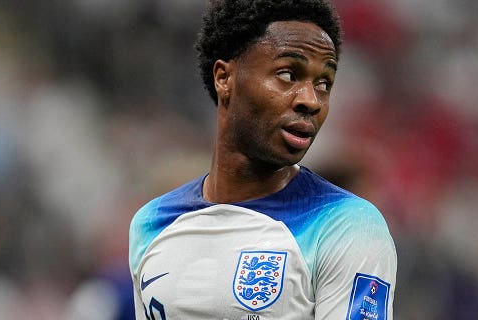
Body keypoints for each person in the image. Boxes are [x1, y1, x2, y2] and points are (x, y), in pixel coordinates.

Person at [128, 0, 397, 319]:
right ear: (224, 78)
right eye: (287, 74)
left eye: (324, 83)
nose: (311, 100)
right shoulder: (151, 224)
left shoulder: (346, 225)